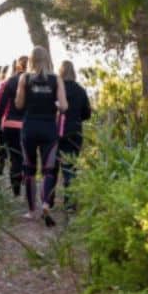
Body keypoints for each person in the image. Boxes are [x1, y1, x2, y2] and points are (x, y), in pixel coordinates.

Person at [15, 46, 67, 226]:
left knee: (29, 169)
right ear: (47, 59)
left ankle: (31, 210)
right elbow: (64, 107)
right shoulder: (56, 79)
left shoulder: (24, 78)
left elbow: (19, 104)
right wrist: (53, 103)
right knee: (49, 169)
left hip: (29, 127)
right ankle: (46, 203)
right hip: (49, 129)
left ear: (31, 60)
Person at [57, 60, 91, 210]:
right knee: (71, 167)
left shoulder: (57, 89)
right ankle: (70, 202)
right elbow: (87, 113)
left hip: (59, 131)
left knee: (57, 167)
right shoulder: (81, 90)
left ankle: (50, 200)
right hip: (76, 132)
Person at [0, 56, 28, 194]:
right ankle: (25, 178)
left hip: (10, 124)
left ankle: (16, 189)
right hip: (27, 125)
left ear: (18, 66)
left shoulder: (10, 81)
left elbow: (1, 105)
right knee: (26, 155)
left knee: (14, 157)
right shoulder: (33, 81)